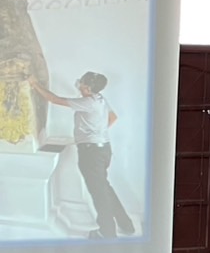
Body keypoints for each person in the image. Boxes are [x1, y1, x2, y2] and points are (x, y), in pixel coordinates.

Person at [30, 70, 134, 237]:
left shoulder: (87, 102)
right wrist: (95, 132)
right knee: (105, 188)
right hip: (104, 148)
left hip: (91, 152)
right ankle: (126, 225)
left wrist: (34, 84)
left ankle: (107, 234)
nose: (78, 84)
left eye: (81, 83)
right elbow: (113, 117)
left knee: (98, 193)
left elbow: (55, 99)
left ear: (86, 87)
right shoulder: (100, 99)